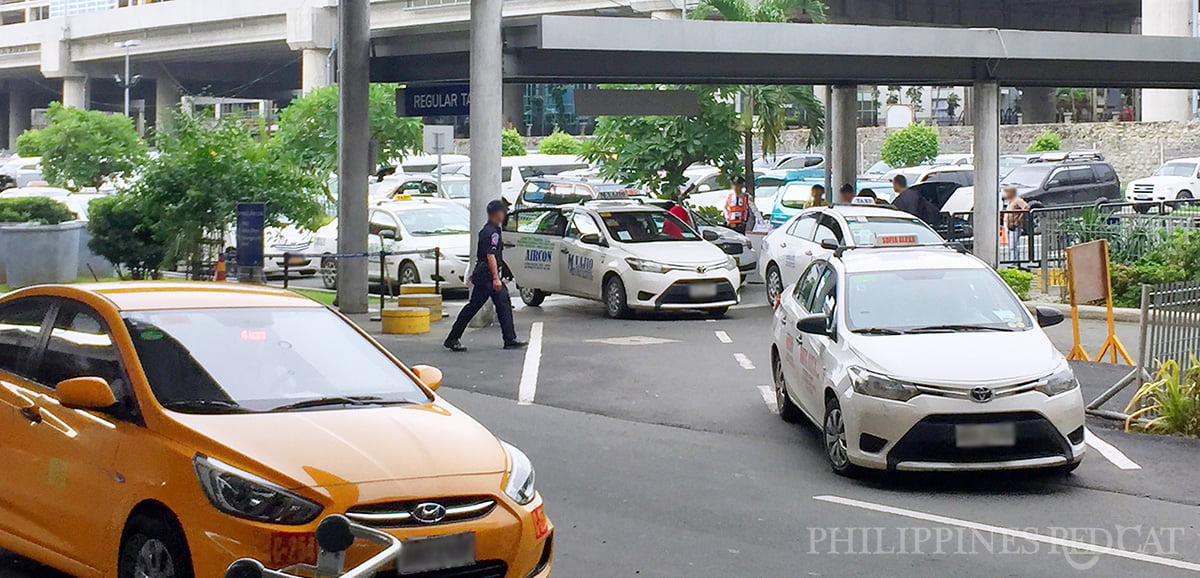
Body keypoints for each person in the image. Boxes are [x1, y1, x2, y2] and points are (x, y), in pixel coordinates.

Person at [444, 200, 526, 352]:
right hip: (487, 276)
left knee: (502, 304)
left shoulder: (490, 230)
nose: (505, 214)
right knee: (475, 306)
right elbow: (490, 255)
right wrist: (495, 277)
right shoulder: (492, 232)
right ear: (497, 213)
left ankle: (509, 338)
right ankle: (453, 338)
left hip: (485, 274)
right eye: (503, 211)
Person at [1003, 184, 1030, 253]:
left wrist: (1019, 218)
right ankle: (1013, 260)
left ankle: (1015, 261)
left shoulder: (1018, 200)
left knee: (1013, 246)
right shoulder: (1010, 201)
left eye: (1007, 192)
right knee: (1011, 246)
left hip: (1015, 225)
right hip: (1009, 225)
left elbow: (1026, 207)